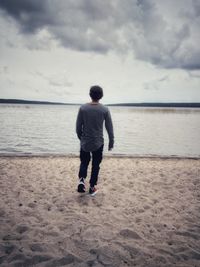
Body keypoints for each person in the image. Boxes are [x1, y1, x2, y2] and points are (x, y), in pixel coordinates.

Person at [76, 85, 114, 196]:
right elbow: (109, 127)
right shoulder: (105, 109)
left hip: (85, 142)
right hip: (98, 142)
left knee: (84, 162)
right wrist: (111, 141)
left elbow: (78, 127)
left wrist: (81, 138)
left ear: (90, 94)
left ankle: (81, 181)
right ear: (101, 96)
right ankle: (92, 187)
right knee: (96, 165)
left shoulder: (83, 108)